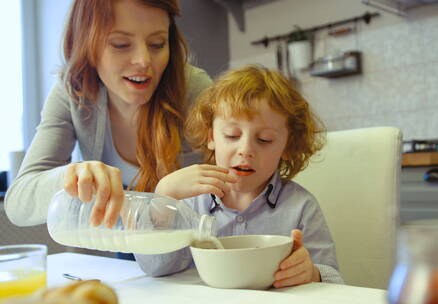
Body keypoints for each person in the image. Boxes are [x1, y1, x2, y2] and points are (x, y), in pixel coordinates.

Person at [5, 0, 238, 229]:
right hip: (118, 246)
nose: (143, 60)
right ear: (88, 45)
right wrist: (72, 175)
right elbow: (18, 204)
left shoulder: (193, 89)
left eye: (157, 44)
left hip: (188, 245)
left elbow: (242, 184)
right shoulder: (73, 91)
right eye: (120, 44)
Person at [135, 65, 345, 287]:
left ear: (287, 146)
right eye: (232, 135)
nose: (245, 149)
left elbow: (335, 280)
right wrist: (163, 197)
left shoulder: (301, 207)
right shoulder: (188, 203)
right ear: (212, 136)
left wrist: (311, 273)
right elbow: (154, 267)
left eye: (264, 139)